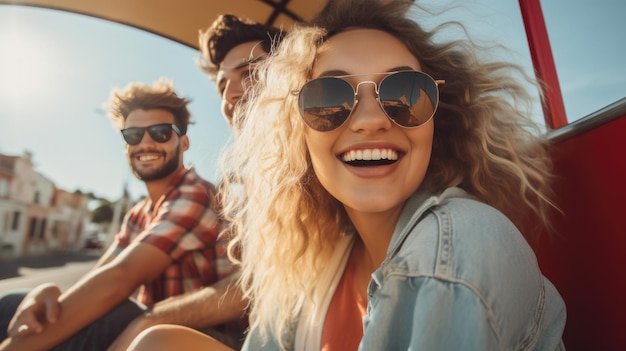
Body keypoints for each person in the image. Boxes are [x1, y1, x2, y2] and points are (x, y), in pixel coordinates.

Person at [127, 0, 567, 350]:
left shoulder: (458, 246)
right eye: (328, 98)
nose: (370, 120)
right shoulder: (314, 257)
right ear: (296, 132)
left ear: (438, 119)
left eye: (405, 93)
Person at [0, 79, 241, 351]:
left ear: (183, 142)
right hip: (151, 324)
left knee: (113, 313)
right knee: (11, 305)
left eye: (161, 133)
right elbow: (100, 275)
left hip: (200, 336)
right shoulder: (139, 214)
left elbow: (119, 278)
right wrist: (49, 293)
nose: (145, 143)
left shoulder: (195, 193)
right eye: (133, 135)